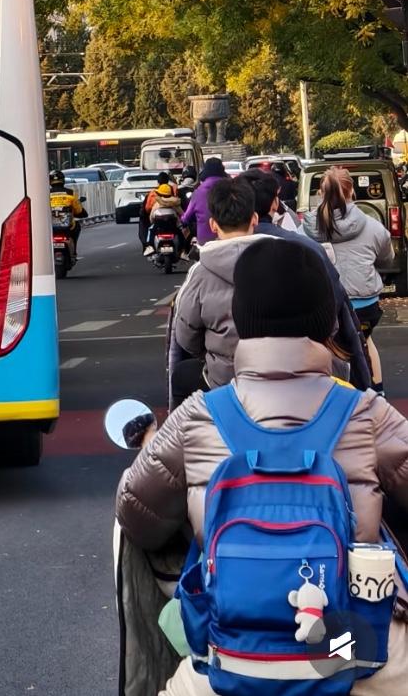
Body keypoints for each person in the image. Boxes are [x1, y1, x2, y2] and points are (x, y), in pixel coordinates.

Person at [116, 239, 408, 695]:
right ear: (327, 319)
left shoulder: (198, 415)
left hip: (231, 653)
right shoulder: (365, 412)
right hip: (348, 653)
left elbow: (137, 517)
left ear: (242, 321)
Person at [246, 169, 372, 391]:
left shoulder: (209, 263)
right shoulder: (304, 247)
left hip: (239, 378)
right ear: (274, 203)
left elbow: (184, 341)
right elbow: (337, 306)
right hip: (313, 367)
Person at [169, 177, 261, 405]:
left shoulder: (199, 273)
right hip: (283, 376)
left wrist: (212, 355)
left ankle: (187, 437)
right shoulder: (285, 260)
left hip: (222, 380)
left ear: (212, 225)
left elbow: (185, 335)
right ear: (255, 219)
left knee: (181, 374)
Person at [304, 166, 394, 395]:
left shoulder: (305, 230)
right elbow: (387, 257)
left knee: (329, 349)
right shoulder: (373, 227)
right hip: (364, 304)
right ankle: (378, 393)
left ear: (320, 194)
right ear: (351, 191)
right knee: (365, 342)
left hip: (324, 306)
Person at [179, 156, 225, 247]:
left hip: (205, 243)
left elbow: (186, 218)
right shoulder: (231, 189)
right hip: (227, 241)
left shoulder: (198, 193)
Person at [141, 170, 182, 256]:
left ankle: (148, 246)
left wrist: (151, 221)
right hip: (172, 224)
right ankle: (183, 250)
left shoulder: (154, 196)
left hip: (158, 224)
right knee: (180, 231)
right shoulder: (175, 197)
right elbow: (181, 213)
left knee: (150, 230)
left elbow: (149, 213)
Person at [49, 169, 86, 260]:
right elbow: (78, 211)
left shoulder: (45, 194)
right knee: (77, 226)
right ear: (63, 180)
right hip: (67, 226)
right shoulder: (71, 193)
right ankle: (73, 251)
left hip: (49, 226)